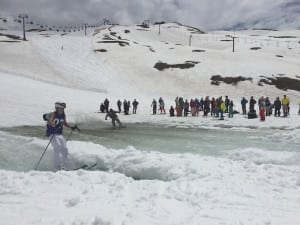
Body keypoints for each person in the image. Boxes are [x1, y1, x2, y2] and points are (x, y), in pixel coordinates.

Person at [46, 102, 76, 170]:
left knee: (65, 149)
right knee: (58, 147)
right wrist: (55, 124)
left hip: (59, 134)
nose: (63, 109)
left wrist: (71, 127)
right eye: (61, 108)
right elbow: (50, 122)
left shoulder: (63, 114)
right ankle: (57, 166)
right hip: (52, 134)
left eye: (63, 108)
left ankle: (66, 165)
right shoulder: (53, 114)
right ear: (57, 108)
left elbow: (64, 123)